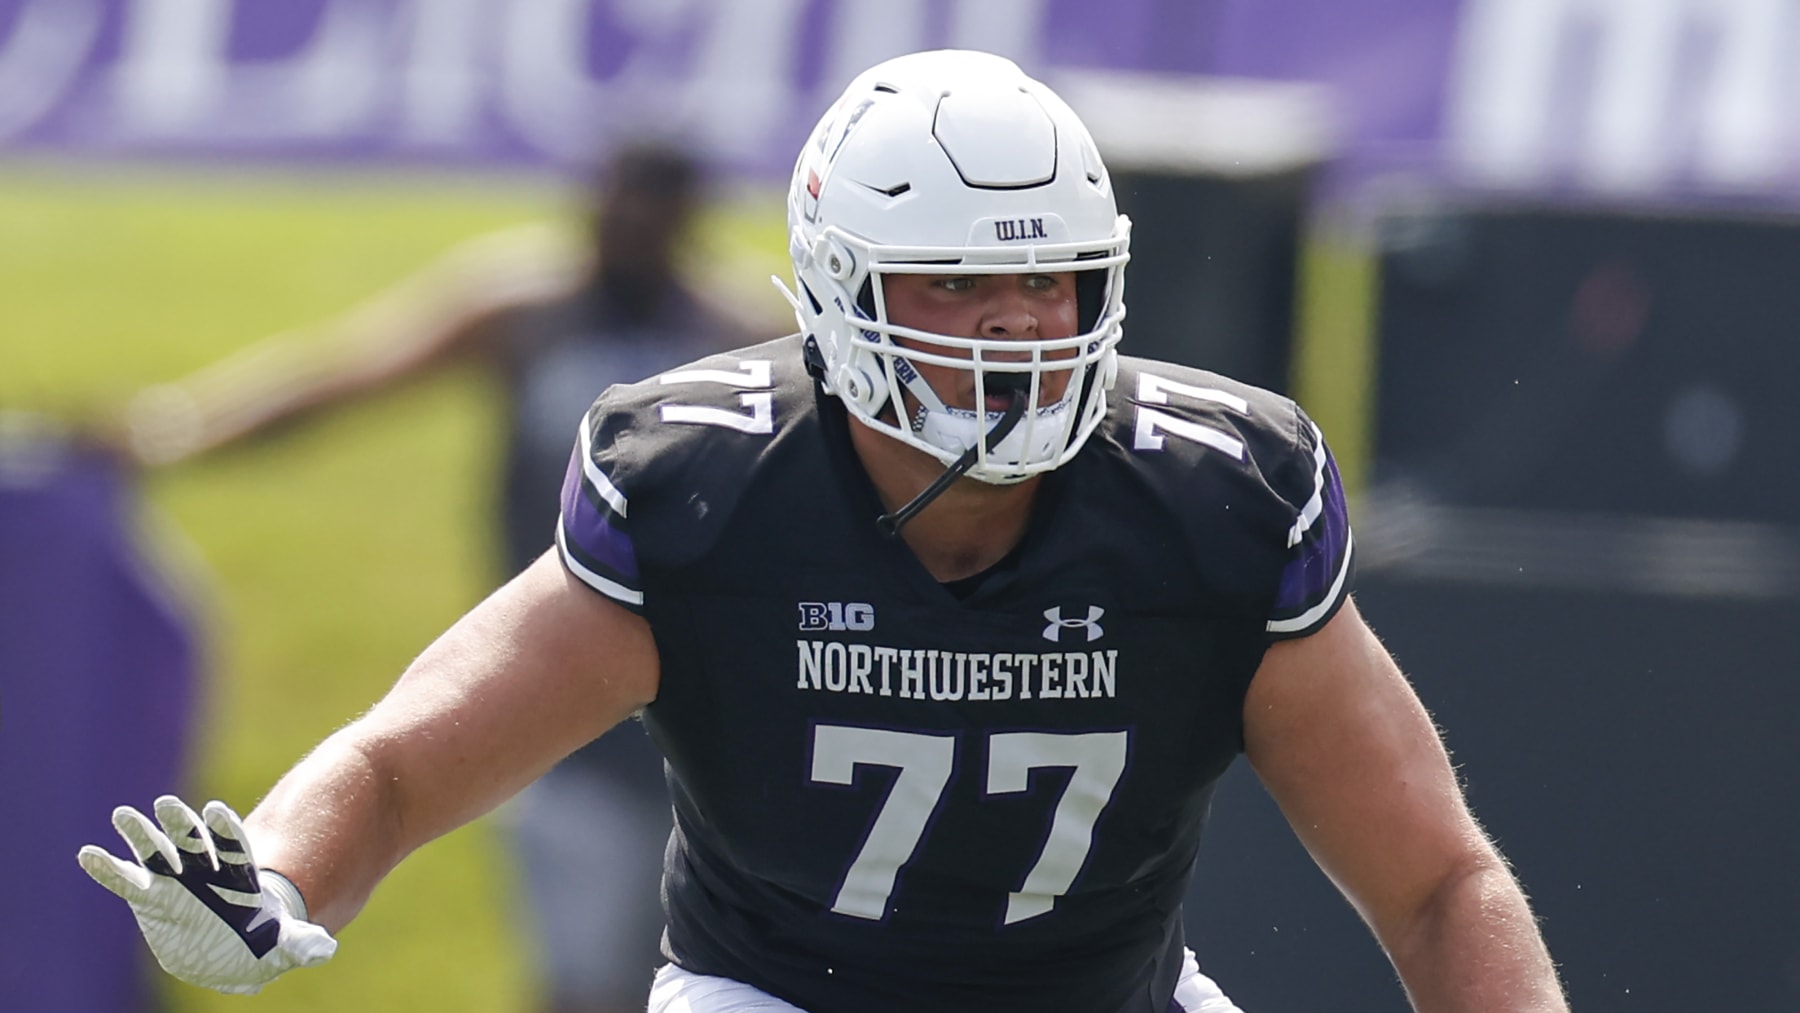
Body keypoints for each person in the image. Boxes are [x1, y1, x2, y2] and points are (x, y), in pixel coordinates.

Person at [79, 50, 1569, 1012]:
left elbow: (1439, 880)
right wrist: (276, 875)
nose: (1017, 325)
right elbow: (406, 759)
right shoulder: (712, 486)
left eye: (1051, 281)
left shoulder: (1214, 494)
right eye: (951, 285)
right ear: (841, 294)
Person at [100, 140, 764, 1013]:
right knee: (592, 978)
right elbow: (343, 376)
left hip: (716, 707)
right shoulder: (528, 310)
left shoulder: (736, 333)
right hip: (566, 686)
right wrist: (173, 432)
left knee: (715, 975)